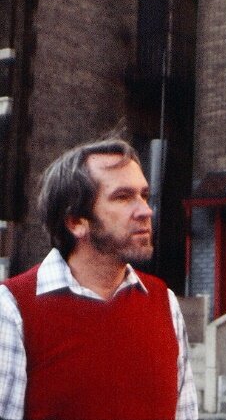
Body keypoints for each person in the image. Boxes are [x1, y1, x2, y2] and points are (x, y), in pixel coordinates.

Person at [0, 138, 198, 420]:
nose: (146, 210)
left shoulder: (162, 301)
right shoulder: (13, 309)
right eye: (123, 197)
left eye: (144, 195)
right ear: (76, 222)